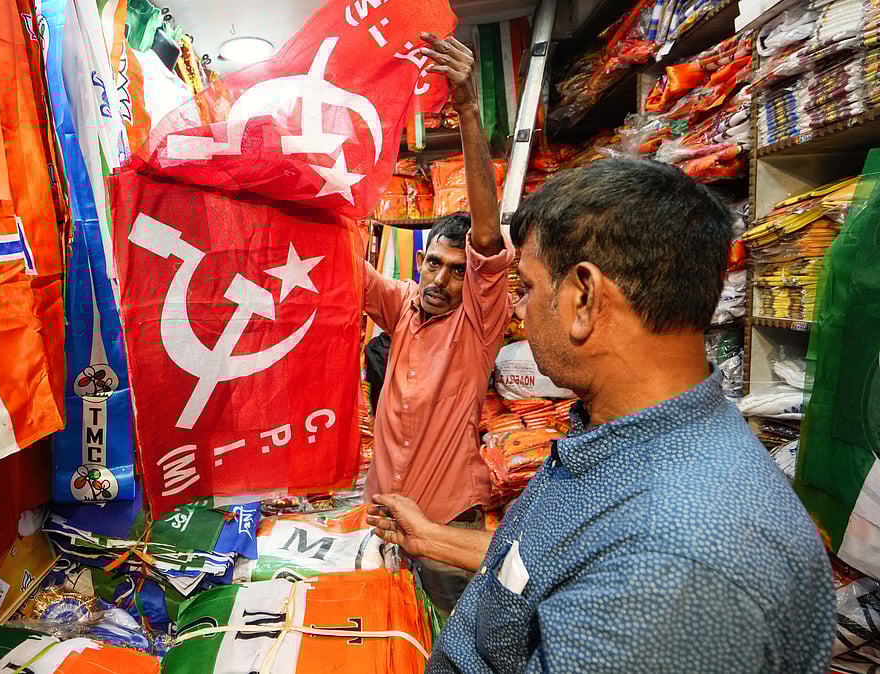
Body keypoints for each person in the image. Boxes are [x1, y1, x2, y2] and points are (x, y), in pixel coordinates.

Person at [368, 159, 834, 672]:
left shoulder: (674, 558)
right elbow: (553, 562)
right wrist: (431, 536)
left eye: (525, 287)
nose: (518, 311)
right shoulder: (612, 438)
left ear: (584, 298)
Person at [357, 33, 512, 613]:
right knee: (390, 635)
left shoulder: (476, 323)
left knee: (453, 643)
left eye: (455, 270)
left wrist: (468, 109)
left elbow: (489, 239)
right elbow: (338, 268)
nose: (440, 280)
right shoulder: (403, 306)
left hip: (447, 524)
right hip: (383, 515)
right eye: (432, 263)